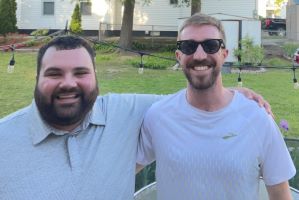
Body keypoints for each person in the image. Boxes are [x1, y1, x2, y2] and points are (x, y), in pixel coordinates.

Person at [0, 35, 270, 200]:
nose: (68, 84)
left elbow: (187, 105)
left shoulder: (122, 112)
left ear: (96, 78)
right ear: (37, 79)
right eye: (54, 74)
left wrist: (232, 94)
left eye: (81, 73)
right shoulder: (4, 140)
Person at [136, 13, 296, 200]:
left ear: (224, 54)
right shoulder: (158, 116)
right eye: (189, 46)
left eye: (210, 45)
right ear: (179, 56)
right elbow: (123, 170)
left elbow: (281, 195)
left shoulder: (257, 119)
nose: (199, 55)